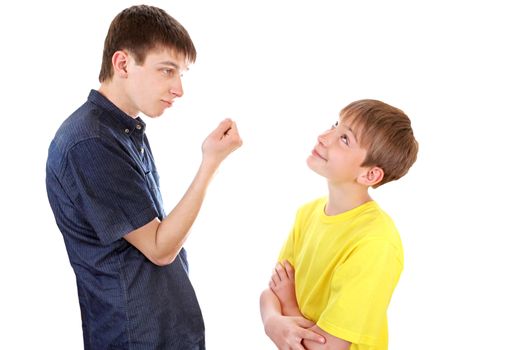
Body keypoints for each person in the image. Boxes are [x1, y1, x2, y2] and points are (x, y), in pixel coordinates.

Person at [46, 5, 242, 349]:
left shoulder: (122, 131)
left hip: (162, 332)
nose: (178, 88)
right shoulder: (90, 141)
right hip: (136, 339)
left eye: (181, 74)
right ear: (122, 64)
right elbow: (159, 248)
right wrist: (210, 163)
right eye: (167, 71)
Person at [260, 99, 418, 350]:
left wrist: (288, 308)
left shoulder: (375, 242)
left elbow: (325, 346)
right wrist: (271, 322)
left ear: (369, 175)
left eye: (345, 139)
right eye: (335, 125)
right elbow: (270, 293)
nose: (324, 137)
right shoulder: (307, 214)